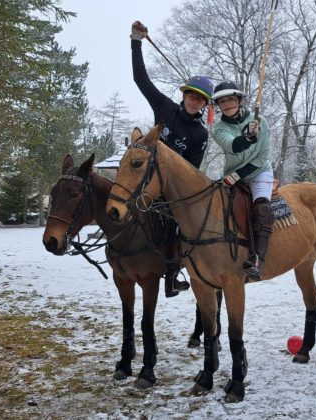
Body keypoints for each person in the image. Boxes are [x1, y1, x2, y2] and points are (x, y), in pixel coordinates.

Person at [130, 20, 214, 297]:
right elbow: (141, 80)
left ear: (204, 105)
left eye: (200, 100)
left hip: (173, 189)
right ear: (185, 96)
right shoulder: (165, 107)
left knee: (180, 228)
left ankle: (173, 273)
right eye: (192, 96)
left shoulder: (200, 134)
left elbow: (192, 169)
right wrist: (136, 42)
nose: (195, 101)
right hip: (146, 177)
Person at [211, 81, 274, 281]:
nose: (227, 104)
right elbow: (232, 146)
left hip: (259, 172)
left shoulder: (260, 121)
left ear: (239, 100)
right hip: (232, 174)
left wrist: (237, 176)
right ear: (218, 105)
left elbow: (262, 157)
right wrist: (247, 136)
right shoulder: (218, 129)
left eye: (230, 99)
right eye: (222, 101)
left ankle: (257, 260)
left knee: (262, 209)